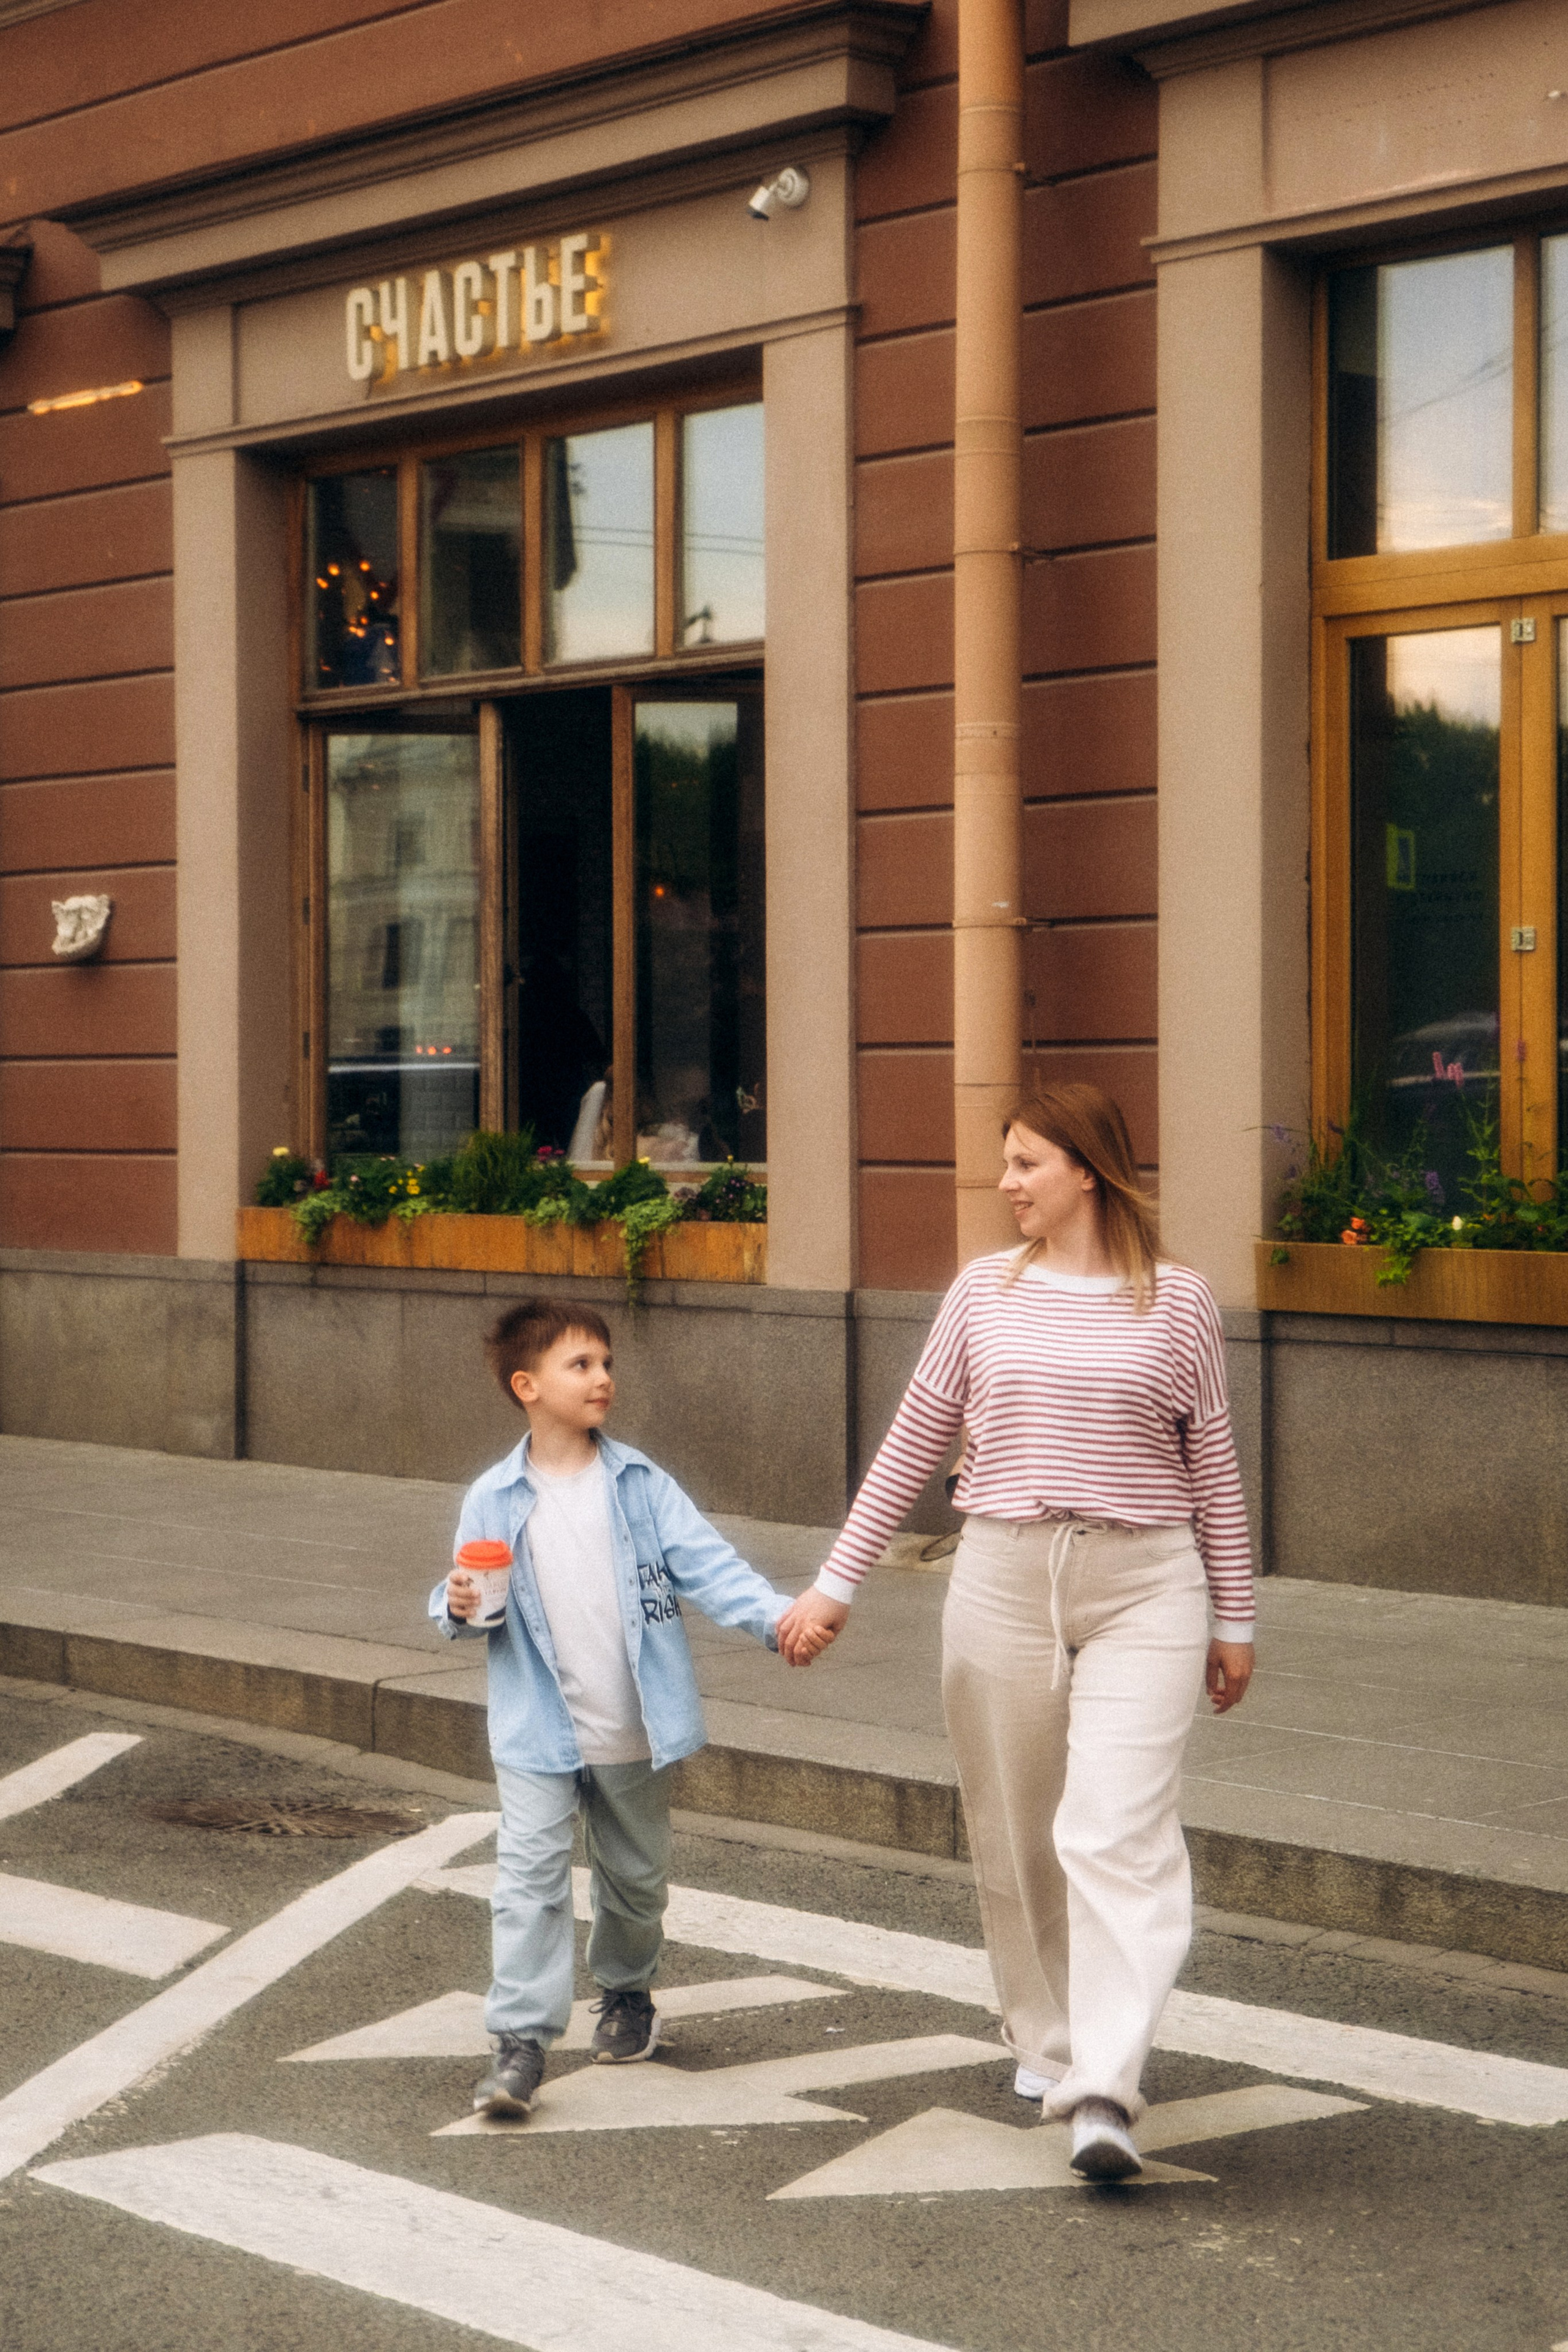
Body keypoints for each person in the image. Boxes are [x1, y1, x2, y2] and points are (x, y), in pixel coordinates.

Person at [777, 1082, 1256, 2182]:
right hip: (999, 1571)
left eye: (1027, 1163)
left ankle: (1105, 2087)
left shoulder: (1177, 1302)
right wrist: (835, 1585)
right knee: (1019, 1831)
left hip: (1146, 1583)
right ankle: (1045, 2043)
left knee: (1115, 1833)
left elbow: (1215, 1471)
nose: (1007, 1185)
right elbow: (912, 1442)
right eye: (1007, 1164)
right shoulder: (983, 1293)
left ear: (1087, 1169)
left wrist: (1234, 1615)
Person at [432, 1297, 815, 2120]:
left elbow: (712, 1568)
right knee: (528, 1880)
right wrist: (457, 1599)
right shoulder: (494, 1496)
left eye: (606, 1363)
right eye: (581, 1365)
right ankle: (520, 2043)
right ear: (527, 1386)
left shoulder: (639, 1484)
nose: (602, 1378)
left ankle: (629, 1990)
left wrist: (778, 1620)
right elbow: (462, 1591)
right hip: (536, 1728)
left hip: (633, 1726)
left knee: (635, 1880)